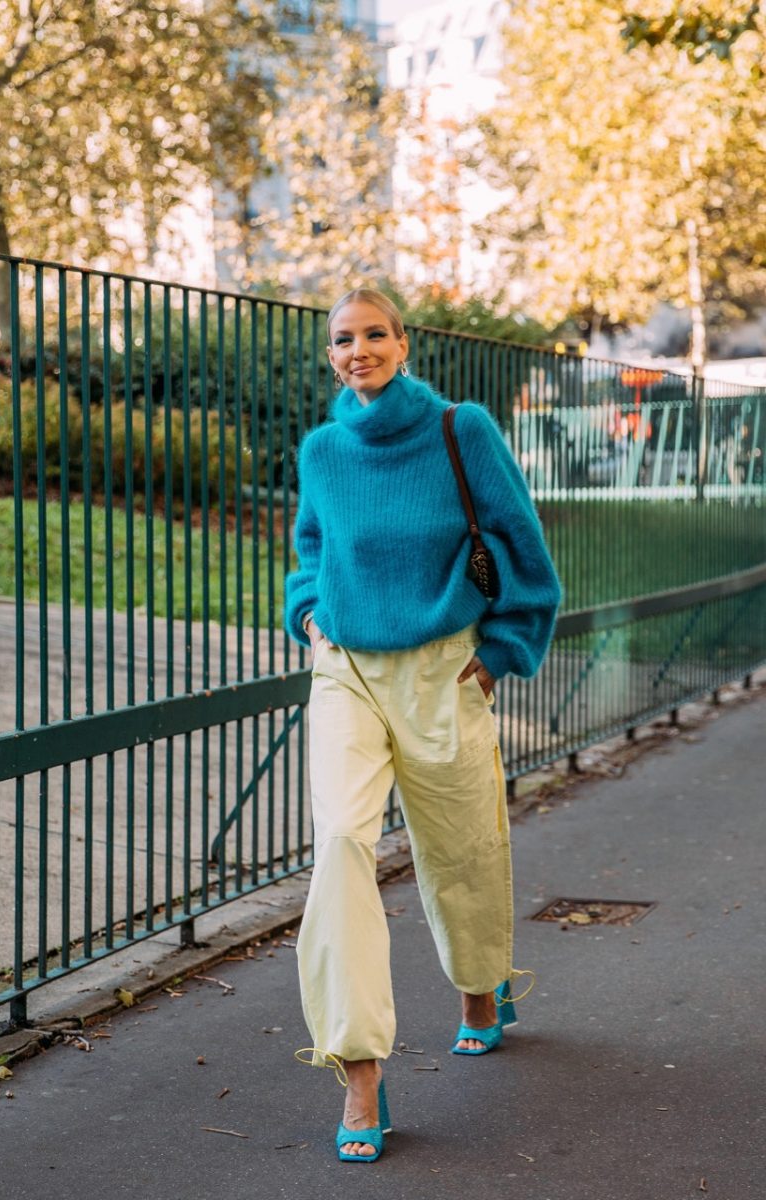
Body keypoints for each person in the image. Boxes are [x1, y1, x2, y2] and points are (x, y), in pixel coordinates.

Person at [285, 287, 561, 1163]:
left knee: (460, 845)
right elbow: (311, 550)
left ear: (403, 344)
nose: (358, 350)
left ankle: (480, 985)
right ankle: (360, 1070)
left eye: (375, 334)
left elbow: (522, 545)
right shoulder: (323, 450)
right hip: (347, 672)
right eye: (343, 339)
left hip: (443, 669)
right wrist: (307, 613)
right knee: (341, 846)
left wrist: (504, 649)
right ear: (331, 354)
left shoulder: (459, 430)